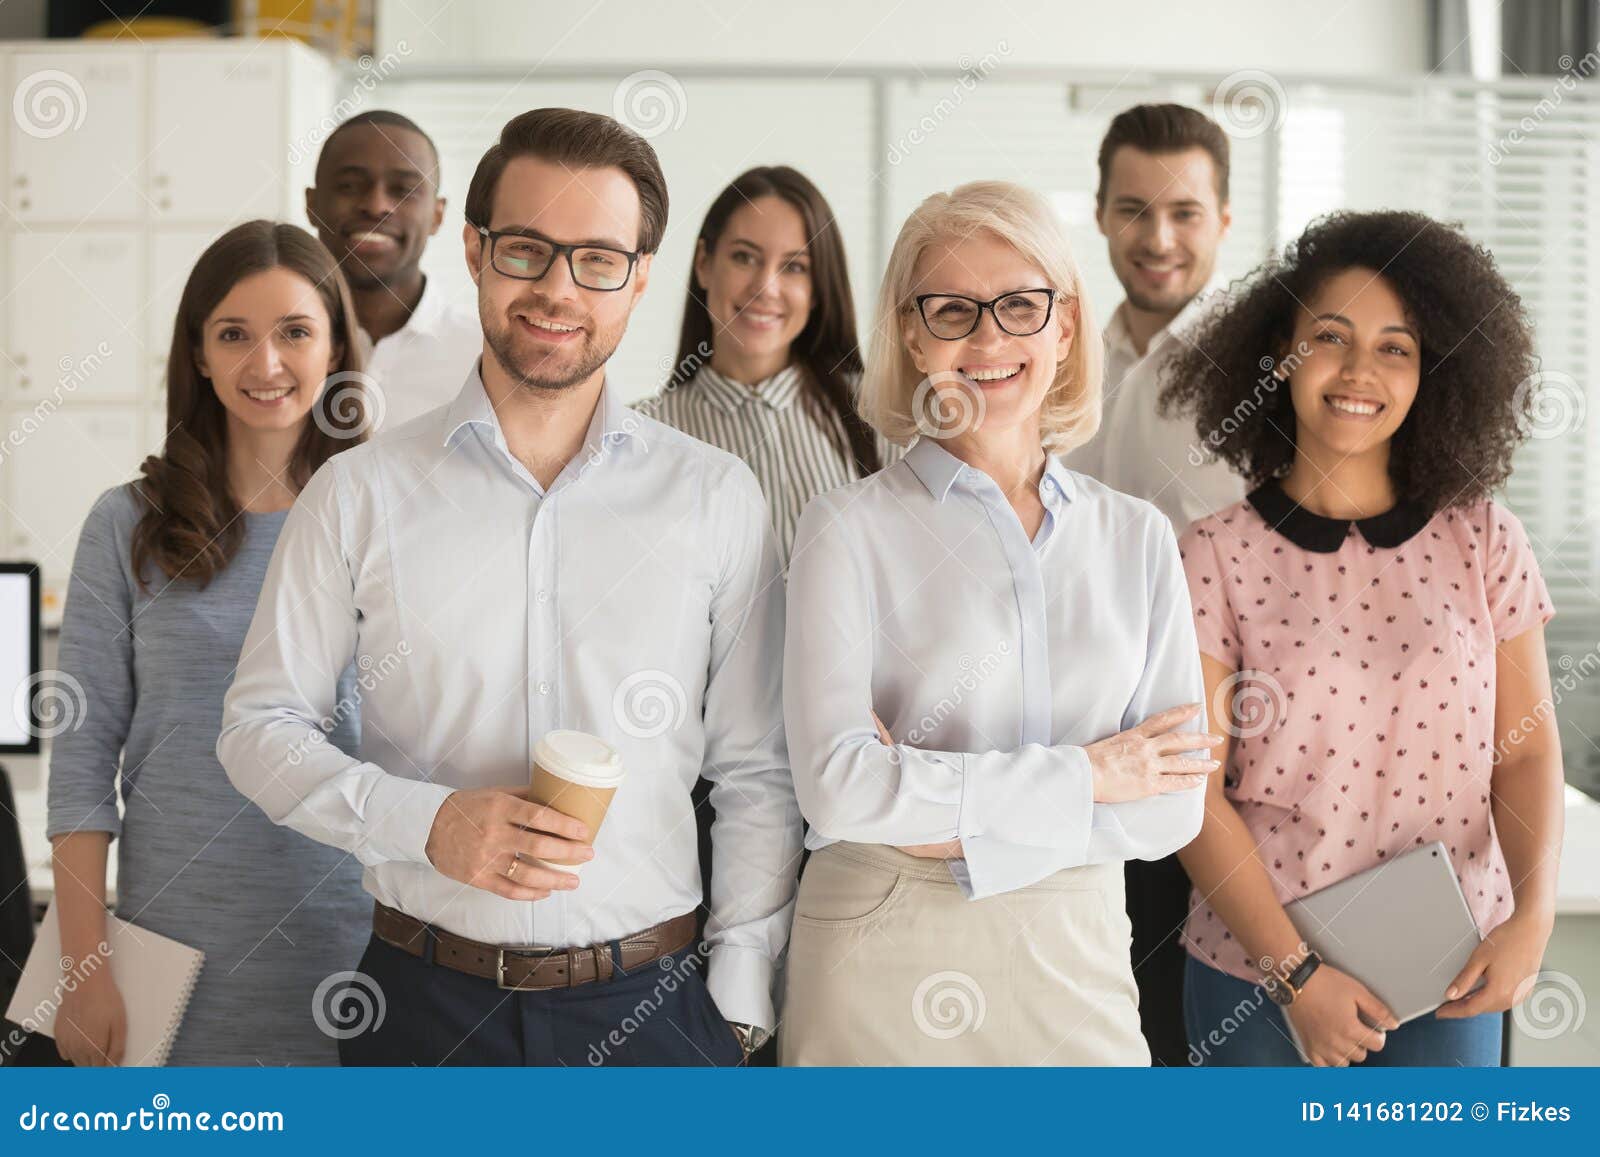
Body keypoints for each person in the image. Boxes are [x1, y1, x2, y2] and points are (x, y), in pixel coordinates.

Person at [219, 108, 802, 1068]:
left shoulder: (715, 498)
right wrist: (424, 822)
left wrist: (737, 1001)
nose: (558, 289)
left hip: (657, 1018)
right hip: (419, 1009)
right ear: (477, 248)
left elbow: (758, 769)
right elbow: (259, 728)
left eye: (598, 260)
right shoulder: (359, 491)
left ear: (642, 275)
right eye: (527, 250)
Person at [780, 180, 1221, 1066]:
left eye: (1020, 305)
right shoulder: (845, 527)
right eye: (951, 309)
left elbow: (1171, 805)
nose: (988, 339)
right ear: (911, 331)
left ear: (1064, 327)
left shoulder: (1134, 536)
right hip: (880, 944)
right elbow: (836, 787)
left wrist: (926, 798)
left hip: (1078, 950)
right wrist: (1094, 774)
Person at [1162, 210, 1564, 1066]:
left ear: (1435, 373)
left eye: (1396, 346)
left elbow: (1524, 756)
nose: (1357, 371)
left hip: (1456, 970)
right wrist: (1296, 976)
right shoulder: (1212, 555)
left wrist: (1533, 917)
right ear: (1282, 353)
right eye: (1331, 337)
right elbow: (1195, 793)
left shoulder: (1485, 540)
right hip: (1257, 976)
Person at [47, 221, 372, 1065]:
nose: (265, 364)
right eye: (234, 335)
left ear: (336, 343)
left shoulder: (384, 519)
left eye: (295, 332)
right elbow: (81, 766)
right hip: (174, 954)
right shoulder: (127, 525)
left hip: (359, 948)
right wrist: (84, 971)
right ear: (198, 354)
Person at [1066, 102, 1246, 1064]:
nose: (1158, 237)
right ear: (1099, 215)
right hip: (1083, 765)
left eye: (1184, 210)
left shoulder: (1273, 377)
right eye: (1134, 208)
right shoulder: (1057, 363)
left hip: (1231, 773)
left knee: (1202, 1044)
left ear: (1225, 218)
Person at [636, 165, 894, 567]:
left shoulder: (883, 413)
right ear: (704, 263)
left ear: (817, 289)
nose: (765, 288)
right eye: (744, 257)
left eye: (794, 267)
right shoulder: (642, 434)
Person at [306, 110, 480, 429]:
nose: (376, 206)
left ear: (437, 215)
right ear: (312, 204)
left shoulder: (485, 359)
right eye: (349, 185)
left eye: (403, 190)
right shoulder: (270, 350)